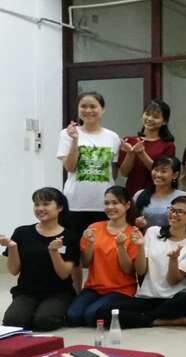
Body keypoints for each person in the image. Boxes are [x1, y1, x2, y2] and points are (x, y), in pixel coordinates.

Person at [97, 196, 186, 328]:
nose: (174, 214)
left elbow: (173, 280)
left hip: (173, 298)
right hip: (147, 297)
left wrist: (173, 259)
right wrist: (140, 247)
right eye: (171, 209)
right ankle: (159, 321)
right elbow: (140, 270)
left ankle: (142, 318)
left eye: (180, 211)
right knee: (104, 312)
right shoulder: (153, 232)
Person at [57, 91, 122, 292]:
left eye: (93, 106)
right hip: (75, 202)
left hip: (103, 205)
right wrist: (75, 140)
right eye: (83, 106)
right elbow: (69, 167)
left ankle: (99, 287)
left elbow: (113, 171)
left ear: (102, 109)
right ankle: (76, 291)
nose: (88, 110)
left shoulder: (112, 137)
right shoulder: (67, 133)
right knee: (74, 251)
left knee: (101, 250)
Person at [1, 188, 79, 331]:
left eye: (46, 204)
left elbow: (63, 274)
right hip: (27, 292)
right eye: (37, 205)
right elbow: (13, 270)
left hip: (58, 292)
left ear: (60, 207)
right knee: (13, 321)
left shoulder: (69, 237)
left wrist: (54, 251)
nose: (40, 208)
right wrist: (12, 247)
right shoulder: (22, 232)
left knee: (45, 321)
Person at [67, 186, 139, 326]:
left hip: (121, 289)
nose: (110, 207)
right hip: (94, 287)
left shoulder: (133, 233)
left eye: (115, 203)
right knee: (72, 317)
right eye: (106, 203)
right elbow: (86, 263)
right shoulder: (95, 227)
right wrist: (89, 244)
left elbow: (128, 270)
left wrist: (120, 248)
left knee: (91, 316)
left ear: (127, 205)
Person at [119, 100, 176, 197]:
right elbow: (124, 173)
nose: (149, 119)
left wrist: (142, 153)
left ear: (164, 122)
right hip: (131, 192)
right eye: (147, 114)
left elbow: (160, 172)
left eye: (156, 117)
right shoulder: (129, 141)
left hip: (156, 194)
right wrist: (131, 153)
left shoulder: (168, 145)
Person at [133, 155, 186, 229]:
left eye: (163, 171)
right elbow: (130, 220)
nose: (158, 175)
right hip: (145, 238)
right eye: (156, 170)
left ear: (175, 175)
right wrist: (136, 223)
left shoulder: (183, 197)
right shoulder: (140, 194)